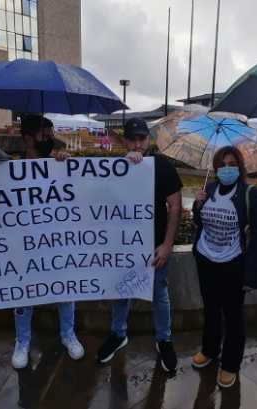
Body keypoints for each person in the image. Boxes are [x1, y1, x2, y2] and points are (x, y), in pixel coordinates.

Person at [96, 118, 183, 372]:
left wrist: (167, 245)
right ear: (125, 141)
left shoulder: (162, 166)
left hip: (154, 247)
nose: (137, 144)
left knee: (160, 295)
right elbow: (91, 196)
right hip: (122, 247)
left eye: (141, 139)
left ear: (148, 140)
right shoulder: (112, 167)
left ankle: (164, 339)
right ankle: (118, 334)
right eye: (132, 139)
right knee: (121, 292)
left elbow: (175, 207)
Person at [191, 146, 257, 388]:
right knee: (211, 308)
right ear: (216, 168)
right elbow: (199, 221)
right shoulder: (210, 188)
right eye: (222, 164)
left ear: (240, 167)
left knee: (233, 316)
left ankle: (230, 364)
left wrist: (251, 274)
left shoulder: (251, 194)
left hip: (233, 264)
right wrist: (197, 205)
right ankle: (210, 349)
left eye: (232, 164)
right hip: (206, 260)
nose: (227, 169)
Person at [11, 115, 84, 369]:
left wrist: (65, 165)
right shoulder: (11, 169)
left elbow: (79, 190)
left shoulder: (56, 162)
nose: (50, 139)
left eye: (50, 133)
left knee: (66, 289)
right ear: (27, 138)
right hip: (26, 242)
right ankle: (22, 341)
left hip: (57, 240)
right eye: (44, 134)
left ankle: (68, 334)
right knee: (23, 293)